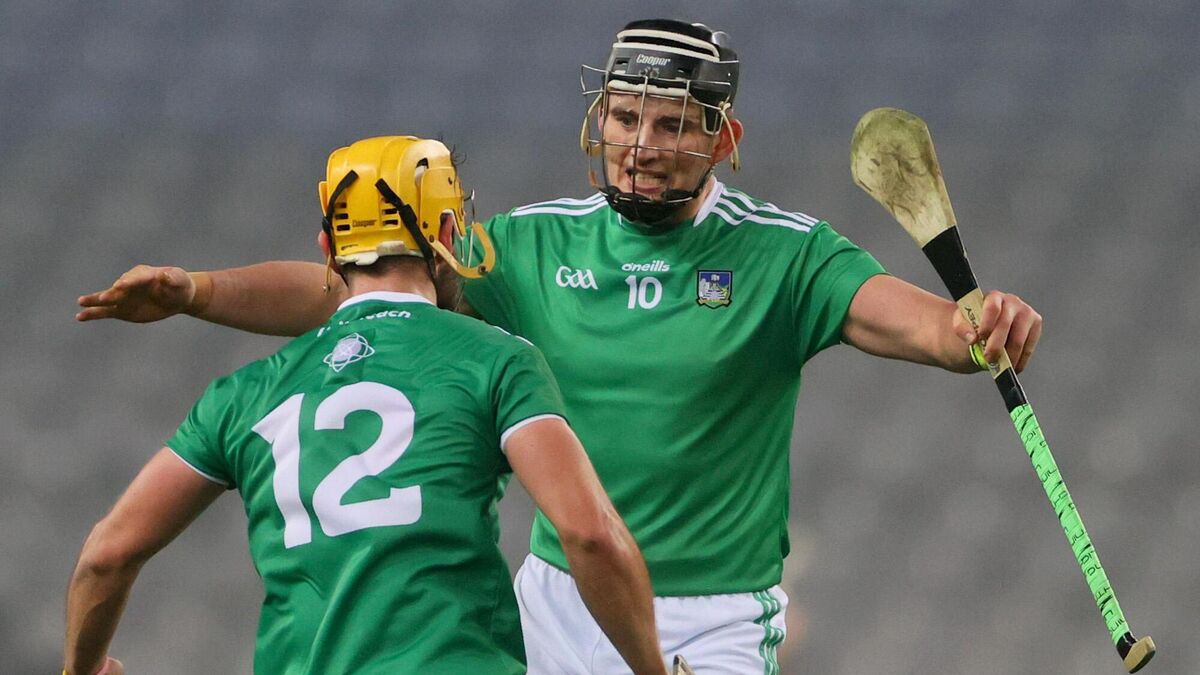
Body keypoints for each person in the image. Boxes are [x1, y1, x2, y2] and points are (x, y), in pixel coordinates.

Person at [77, 20, 1043, 674]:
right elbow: (359, 283)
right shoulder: (534, 245)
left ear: (724, 139)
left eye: (672, 124)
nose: (641, 144)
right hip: (558, 606)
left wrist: (981, 326)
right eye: (625, 116)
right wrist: (197, 291)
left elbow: (926, 326)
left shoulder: (786, 255)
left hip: (713, 619)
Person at [64, 136, 674, 675]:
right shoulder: (498, 360)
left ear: (327, 247)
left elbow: (108, 554)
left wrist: (84, 668)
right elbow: (588, 534)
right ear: (448, 234)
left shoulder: (243, 394)